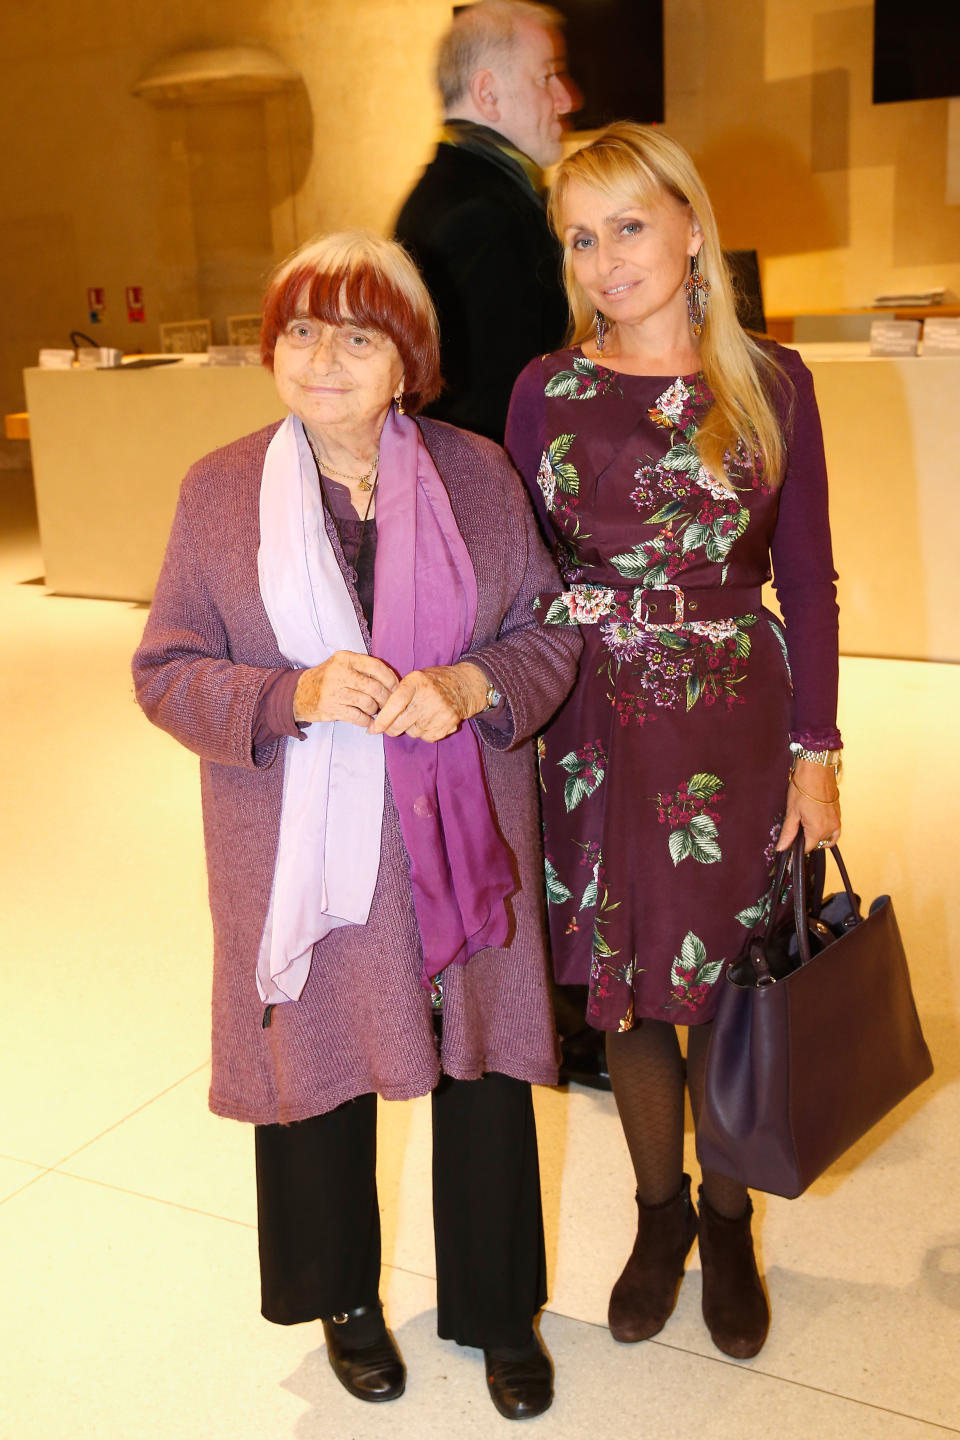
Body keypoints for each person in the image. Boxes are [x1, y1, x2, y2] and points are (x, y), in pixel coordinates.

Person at [132, 231, 581, 1420]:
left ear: (407, 359)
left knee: (479, 1069)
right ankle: (342, 1302)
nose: (321, 356)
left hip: (460, 840)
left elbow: (548, 632)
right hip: (300, 853)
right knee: (320, 1066)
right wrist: (291, 694)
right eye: (300, 329)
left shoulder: (479, 473)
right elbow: (166, 670)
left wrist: (472, 688)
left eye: (357, 333)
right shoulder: (219, 489)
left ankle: (499, 1314)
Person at [506, 123, 842, 1361]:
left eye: (629, 228)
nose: (605, 261)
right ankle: (659, 1215)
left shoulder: (773, 381)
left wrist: (819, 752)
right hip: (593, 721)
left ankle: (727, 1210)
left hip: (734, 712)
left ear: (691, 226)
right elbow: (522, 575)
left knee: (731, 982)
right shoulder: (548, 390)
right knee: (629, 986)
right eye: (581, 240)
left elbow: (807, 580)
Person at [394, 0, 575, 444]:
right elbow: (497, 417)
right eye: (547, 75)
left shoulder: (456, 194)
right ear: (488, 94)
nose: (567, 98)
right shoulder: (483, 217)